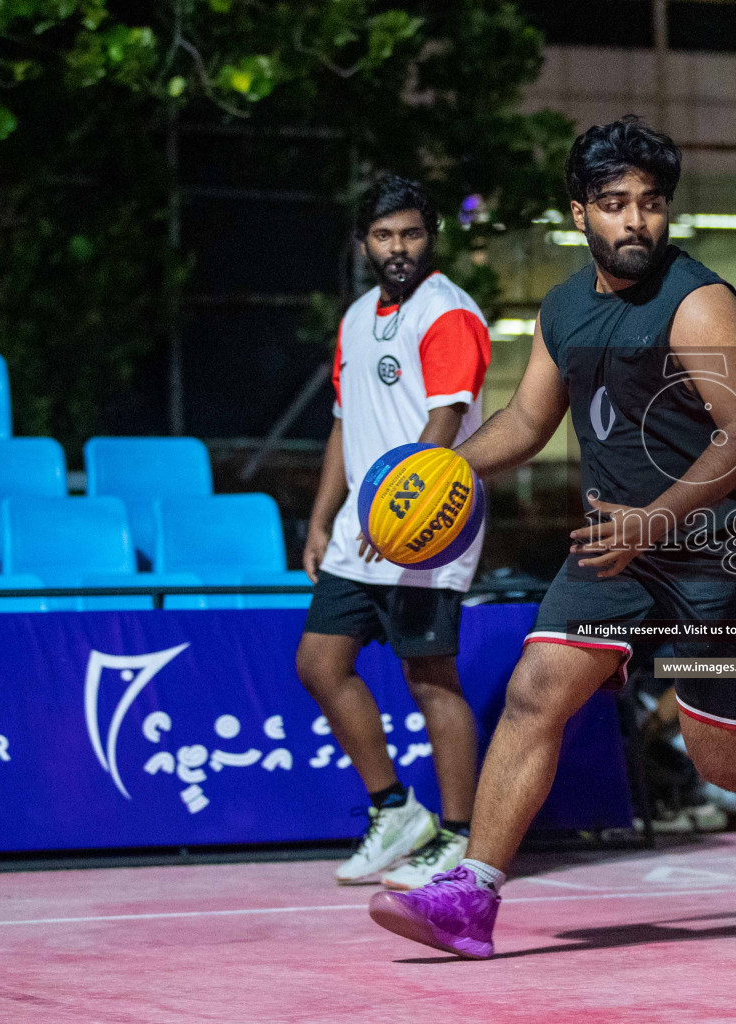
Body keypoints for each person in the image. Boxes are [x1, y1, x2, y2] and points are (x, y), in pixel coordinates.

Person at [368, 117, 736, 959]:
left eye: (650, 203)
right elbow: (529, 419)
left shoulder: (699, 302)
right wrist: (445, 471)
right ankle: (472, 895)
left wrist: (654, 519)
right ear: (580, 214)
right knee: (538, 689)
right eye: (614, 204)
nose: (636, 220)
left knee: (720, 751)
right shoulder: (565, 309)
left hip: (732, 554)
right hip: (623, 547)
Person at [296, 173, 491, 890]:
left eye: (410, 233)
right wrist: (321, 521)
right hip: (362, 526)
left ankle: (462, 837)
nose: (398, 247)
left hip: (430, 521)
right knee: (320, 663)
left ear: (429, 236)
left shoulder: (447, 312)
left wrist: (404, 507)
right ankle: (394, 812)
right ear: (364, 243)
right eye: (384, 236)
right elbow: (345, 428)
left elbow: (444, 421)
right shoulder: (353, 320)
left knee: (429, 677)